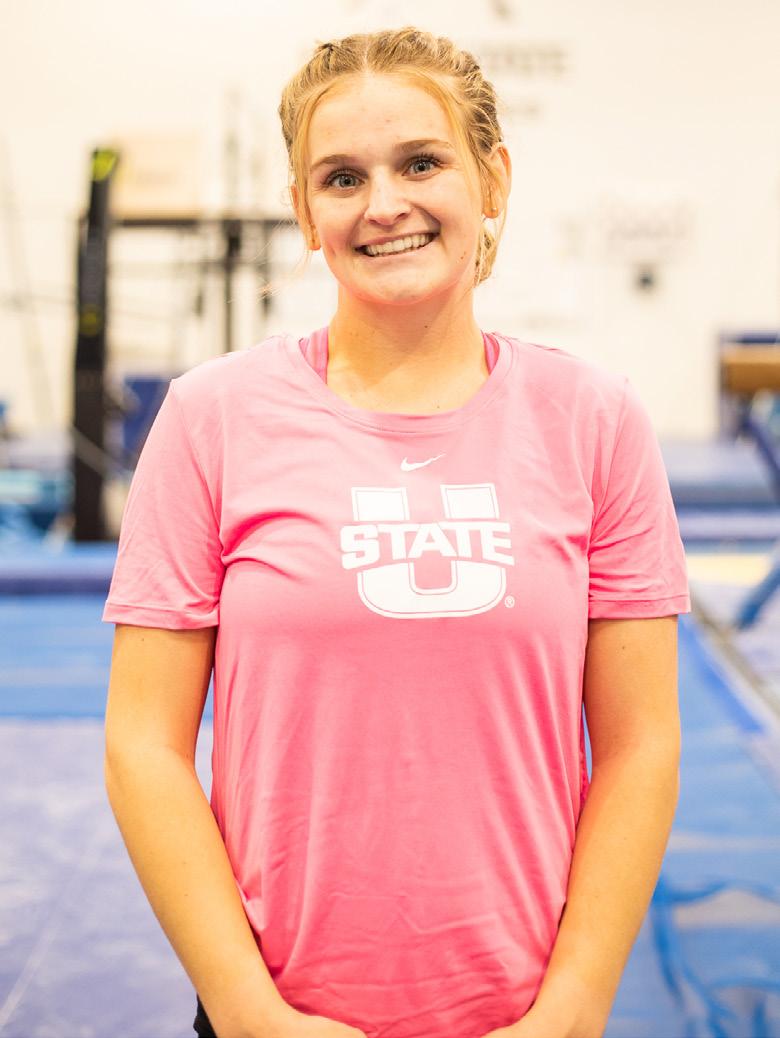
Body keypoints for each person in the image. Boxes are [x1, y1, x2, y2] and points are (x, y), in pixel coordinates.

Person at [102, 25, 690, 1038]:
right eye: (342, 177)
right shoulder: (213, 419)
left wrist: (575, 1005)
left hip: (523, 1014)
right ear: (304, 212)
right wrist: (247, 1012)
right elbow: (142, 744)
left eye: (421, 162)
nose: (384, 204)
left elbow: (641, 744)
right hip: (279, 1013)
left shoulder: (593, 420)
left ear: (492, 179)